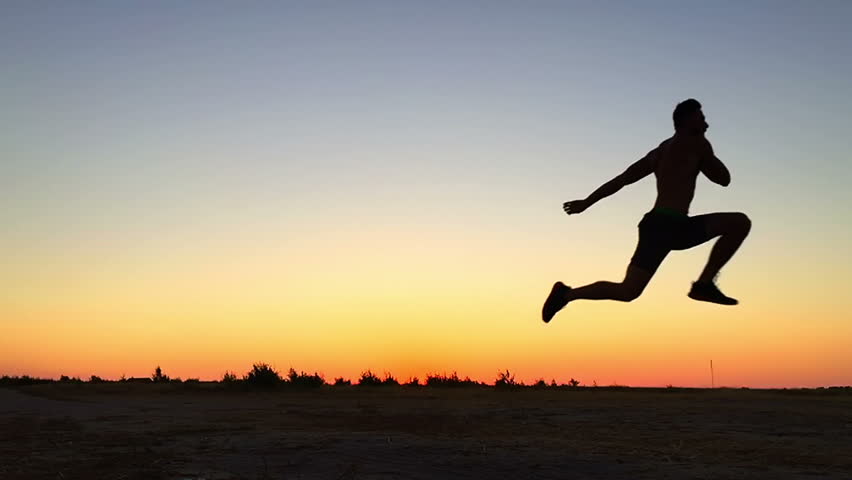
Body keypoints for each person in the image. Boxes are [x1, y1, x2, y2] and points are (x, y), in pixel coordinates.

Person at [542, 99, 751, 323]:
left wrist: (586, 203)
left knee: (628, 292)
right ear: (687, 120)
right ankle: (703, 285)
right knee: (739, 223)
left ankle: (566, 294)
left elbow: (622, 179)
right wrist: (705, 150)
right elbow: (724, 179)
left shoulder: (660, 151)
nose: (706, 123)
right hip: (666, 226)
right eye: (701, 118)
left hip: (666, 226)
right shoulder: (697, 143)